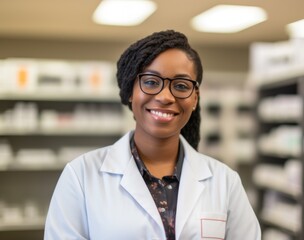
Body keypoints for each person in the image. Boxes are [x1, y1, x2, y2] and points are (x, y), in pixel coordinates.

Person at [44, 30, 261, 240]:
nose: (165, 96)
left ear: (195, 98)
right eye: (150, 82)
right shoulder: (81, 176)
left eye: (181, 85)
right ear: (131, 91)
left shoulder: (225, 182)